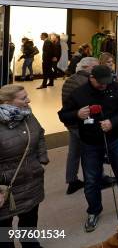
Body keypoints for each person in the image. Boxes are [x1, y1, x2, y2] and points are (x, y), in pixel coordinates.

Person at [58, 65, 118, 232]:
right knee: (91, 180)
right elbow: (62, 114)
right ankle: (94, 211)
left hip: (115, 139)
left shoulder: (117, 88)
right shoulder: (79, 93)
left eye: (107, 82)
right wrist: (76, 115)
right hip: (89, 143)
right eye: (101, 83)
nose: (104, 85)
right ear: (91, 78)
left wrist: (113, 121)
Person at [0, 85, 49, 248]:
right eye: (23, 98)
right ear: (7, 101)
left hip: (32, 180)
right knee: (4, 230)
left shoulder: (27, 114)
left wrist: (41, 159)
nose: (28, 100)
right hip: (6, 189)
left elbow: (40, 134)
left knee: (29, 219)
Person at [61, 57, 99, 195]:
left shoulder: (71, 79)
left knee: (74, 152)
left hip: (71, 121)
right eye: (95, 67)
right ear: (86, 67)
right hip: (81, 123)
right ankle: (94, 179)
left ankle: (71, 180)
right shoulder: (85, 82)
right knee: (90, 153)